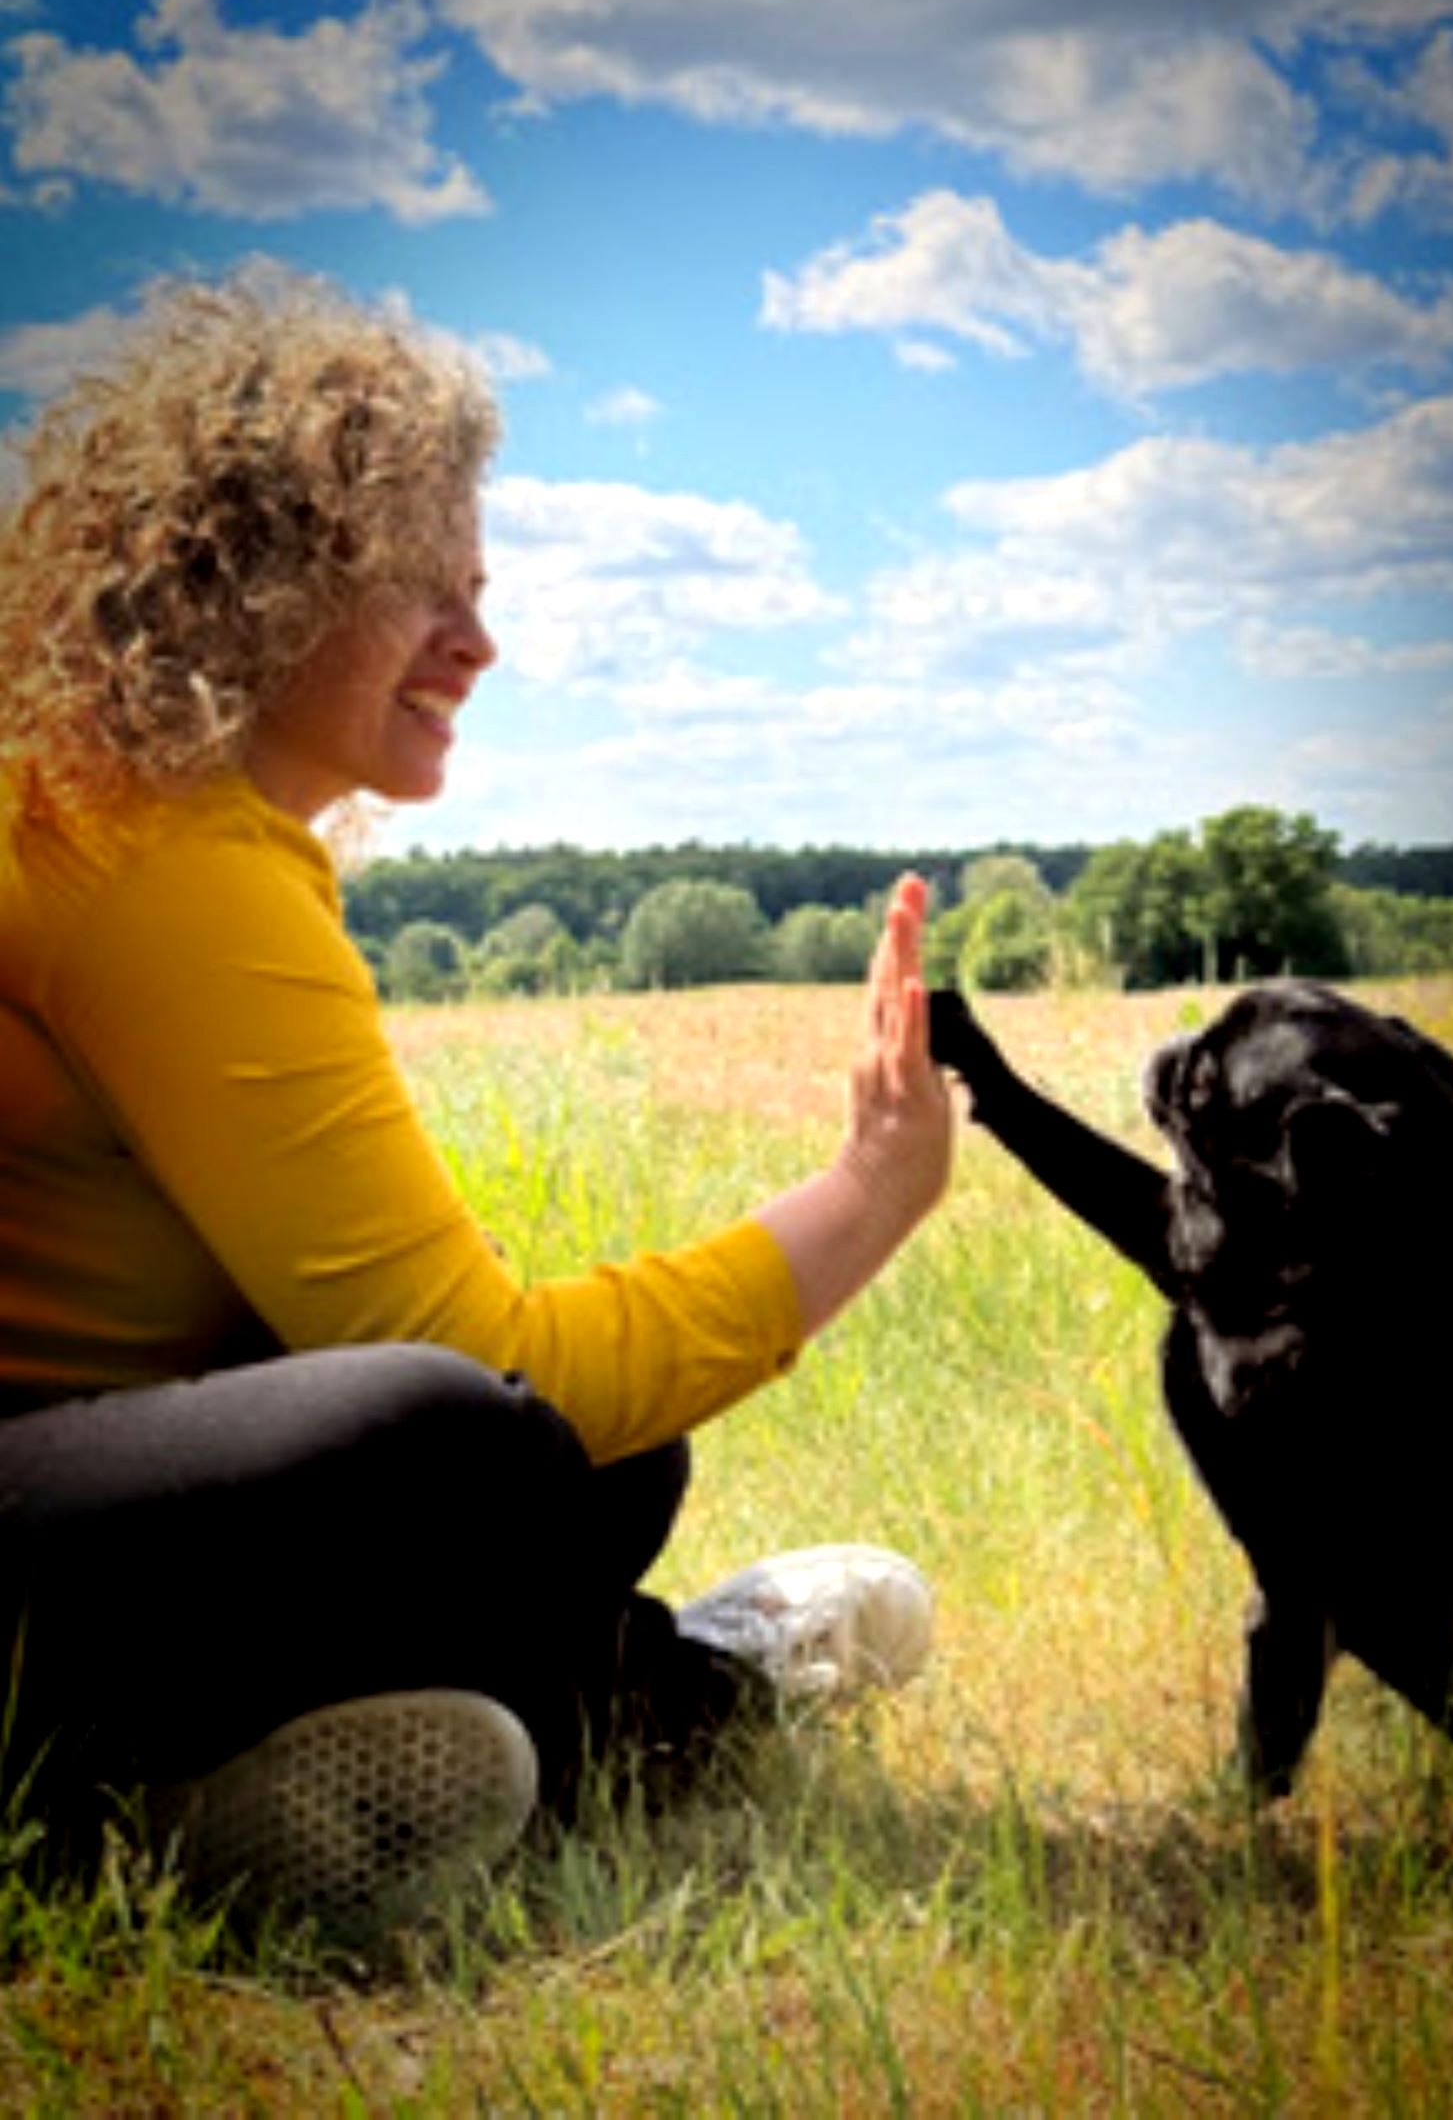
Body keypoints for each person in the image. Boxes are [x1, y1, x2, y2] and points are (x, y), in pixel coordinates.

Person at [0, 264, 952, 1945]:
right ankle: (682, 1693)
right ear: (266, 591)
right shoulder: (158, 869)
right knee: (457, 1445)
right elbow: (465, 1351)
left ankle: (210, 1794)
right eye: (414, 590)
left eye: (479, 588)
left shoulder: (119, 816)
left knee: (593, 1464)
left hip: (62, 1530)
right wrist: (866, 1193)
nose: (480, 642)